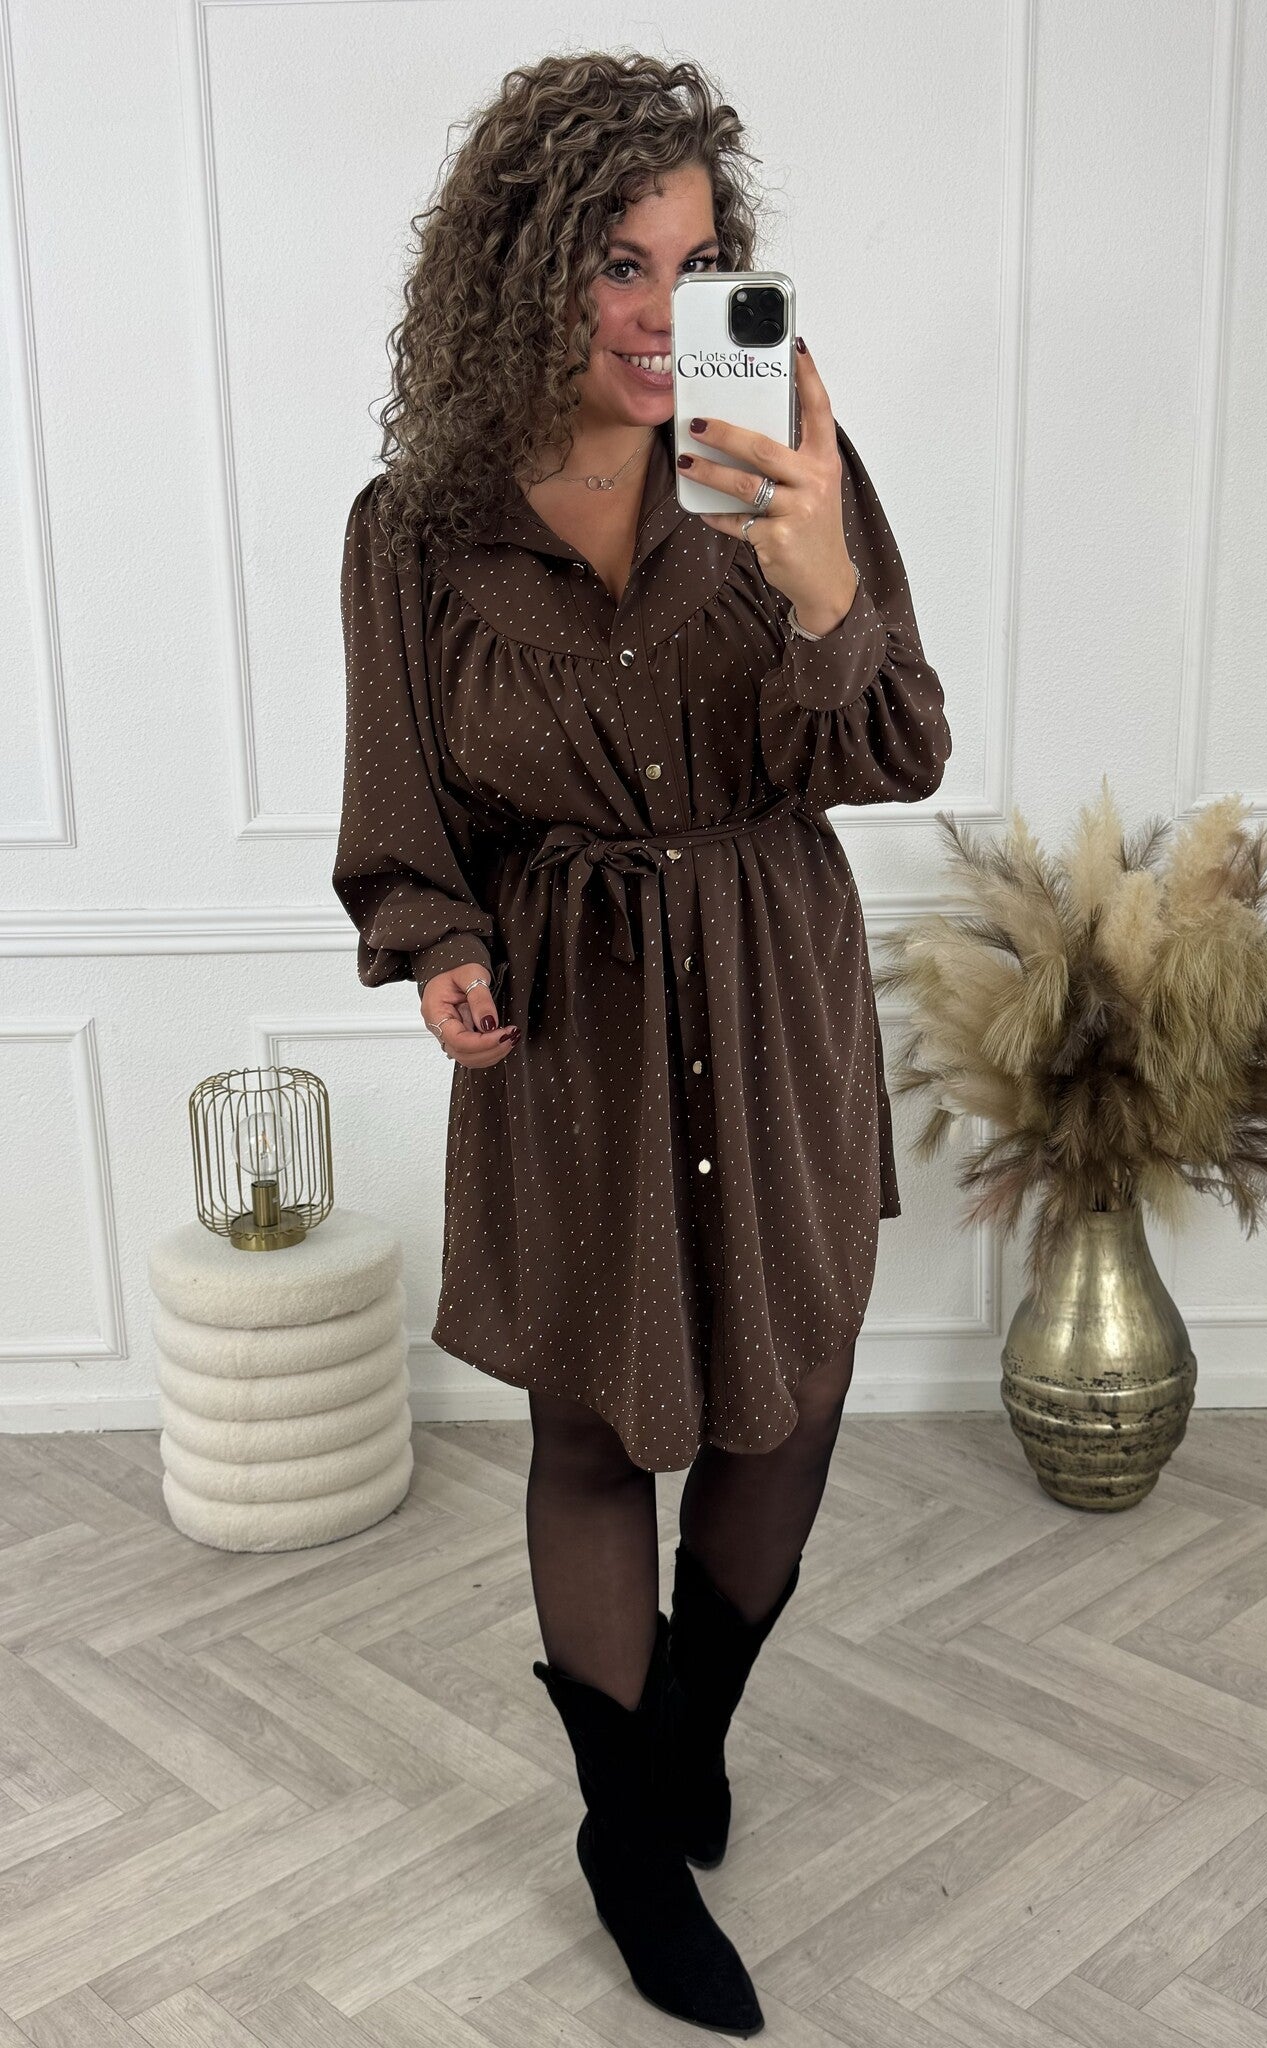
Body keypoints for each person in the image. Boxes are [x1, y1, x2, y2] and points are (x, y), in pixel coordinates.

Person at [332, 50, 950, 2036]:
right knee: (591, 1428)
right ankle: (626, 1835)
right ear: (520, 269)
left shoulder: (785, 470)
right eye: (617, 261)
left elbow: (898, 748)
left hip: (772, 996)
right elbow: (404, 815)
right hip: (576, 1027)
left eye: (695, 264)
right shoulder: (414, 531)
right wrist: (440, 945)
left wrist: (818, 581)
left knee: (788, 1393)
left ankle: (681, 1732)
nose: (661, 311)